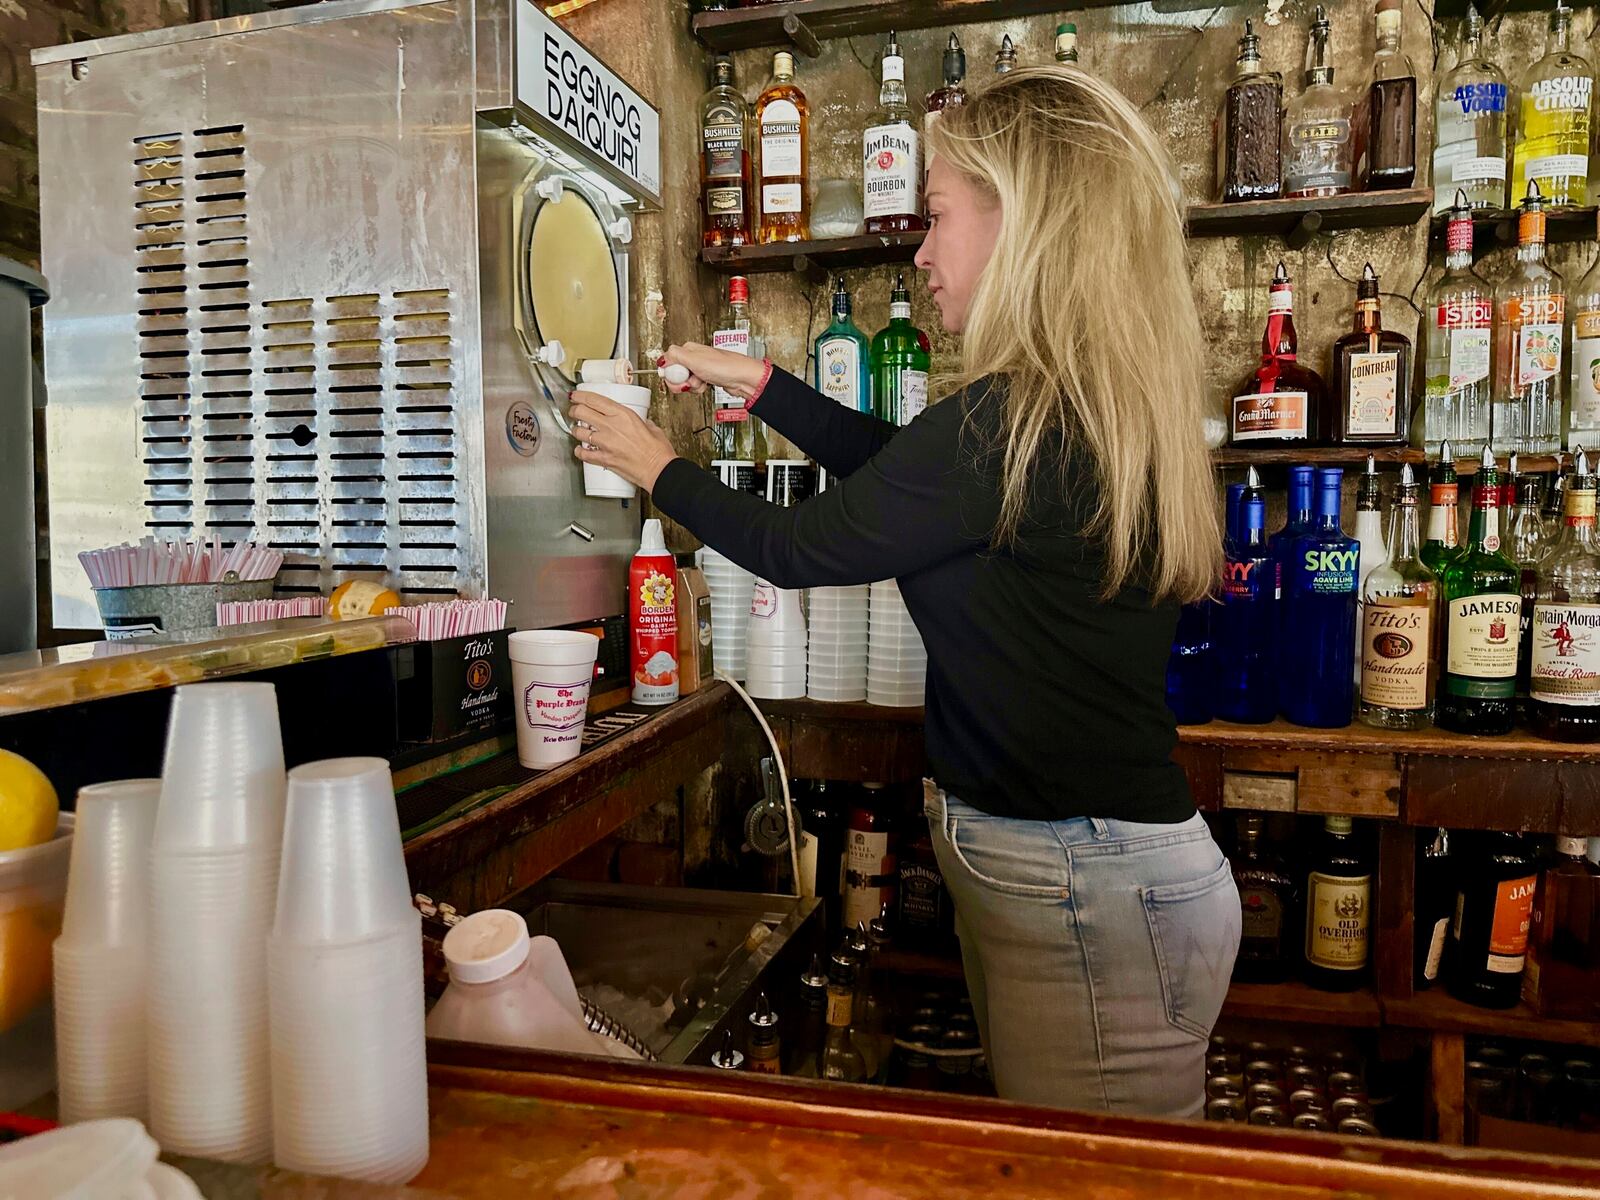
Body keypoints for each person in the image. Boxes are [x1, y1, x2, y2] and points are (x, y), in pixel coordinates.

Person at [563, 66, 1240, 1118]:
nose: (920, 255)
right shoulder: (1063, 412)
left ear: (1026, 224)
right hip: (1101, 874)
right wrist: (770, 390)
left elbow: (798, 545)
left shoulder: (1004, 425)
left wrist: (658, 464)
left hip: (1084, 887)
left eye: (937, 219)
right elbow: (907, 472)